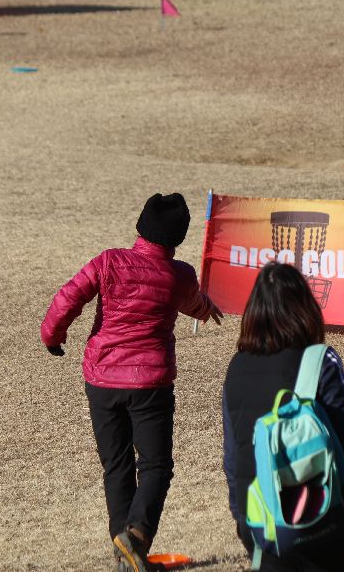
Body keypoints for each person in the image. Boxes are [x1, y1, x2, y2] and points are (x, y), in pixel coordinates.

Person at [41, 193, 222, 572]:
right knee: (155, 466)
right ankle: (136, 537)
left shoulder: (109, 261)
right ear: (178, 236)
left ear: (141, 225)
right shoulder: (180, 275)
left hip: (102, 379)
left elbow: (69, 296)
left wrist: (52, 336)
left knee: (116, 465)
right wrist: (207, 309)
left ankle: (125, 552)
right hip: (151, 384)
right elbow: (192, 302)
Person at [222, 262, 344, 571]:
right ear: (305, 308)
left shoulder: (236, 367)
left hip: (262, 520)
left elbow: (232, 456)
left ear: (253, 313)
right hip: (322, 513)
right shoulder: (320, 361)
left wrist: (241, 516)